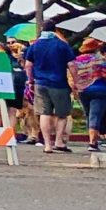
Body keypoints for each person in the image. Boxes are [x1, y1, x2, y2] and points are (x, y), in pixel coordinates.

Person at [27, 20, 78, 153]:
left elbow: (28, 65)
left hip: (40, 83)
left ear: (42, 30)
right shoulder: (62, 45)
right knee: (62, 114)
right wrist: (76, 82)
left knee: (45, 113)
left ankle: (47, 145)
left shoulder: (35, 45)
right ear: (55, 30)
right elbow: (72, 65)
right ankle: (59, 142)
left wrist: (31, 80)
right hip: (59, 84)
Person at [71, 40, 106, 157]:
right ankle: (92, 143)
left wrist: (76, 88)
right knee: (95, 115)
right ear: (95, 48)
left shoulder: (77, 61)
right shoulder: (99, 59)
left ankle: (93, 140)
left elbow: (73, 75)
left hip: (84, 91)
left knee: (89, 115)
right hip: (100, 90)